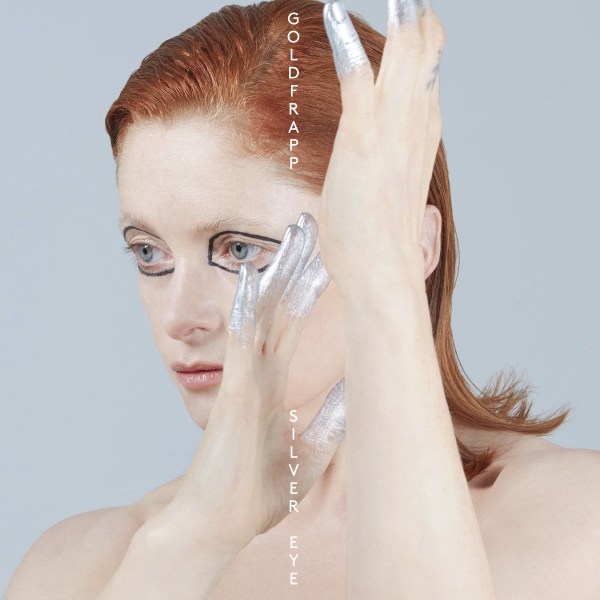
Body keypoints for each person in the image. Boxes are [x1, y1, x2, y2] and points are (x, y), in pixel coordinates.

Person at [4, 0, 600, 598]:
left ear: (413, 245)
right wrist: (195, 538)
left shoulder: (572, 524)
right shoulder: (82, 567)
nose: (180, 317)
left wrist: (383, 290)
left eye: (240, 250)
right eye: (148, 252)